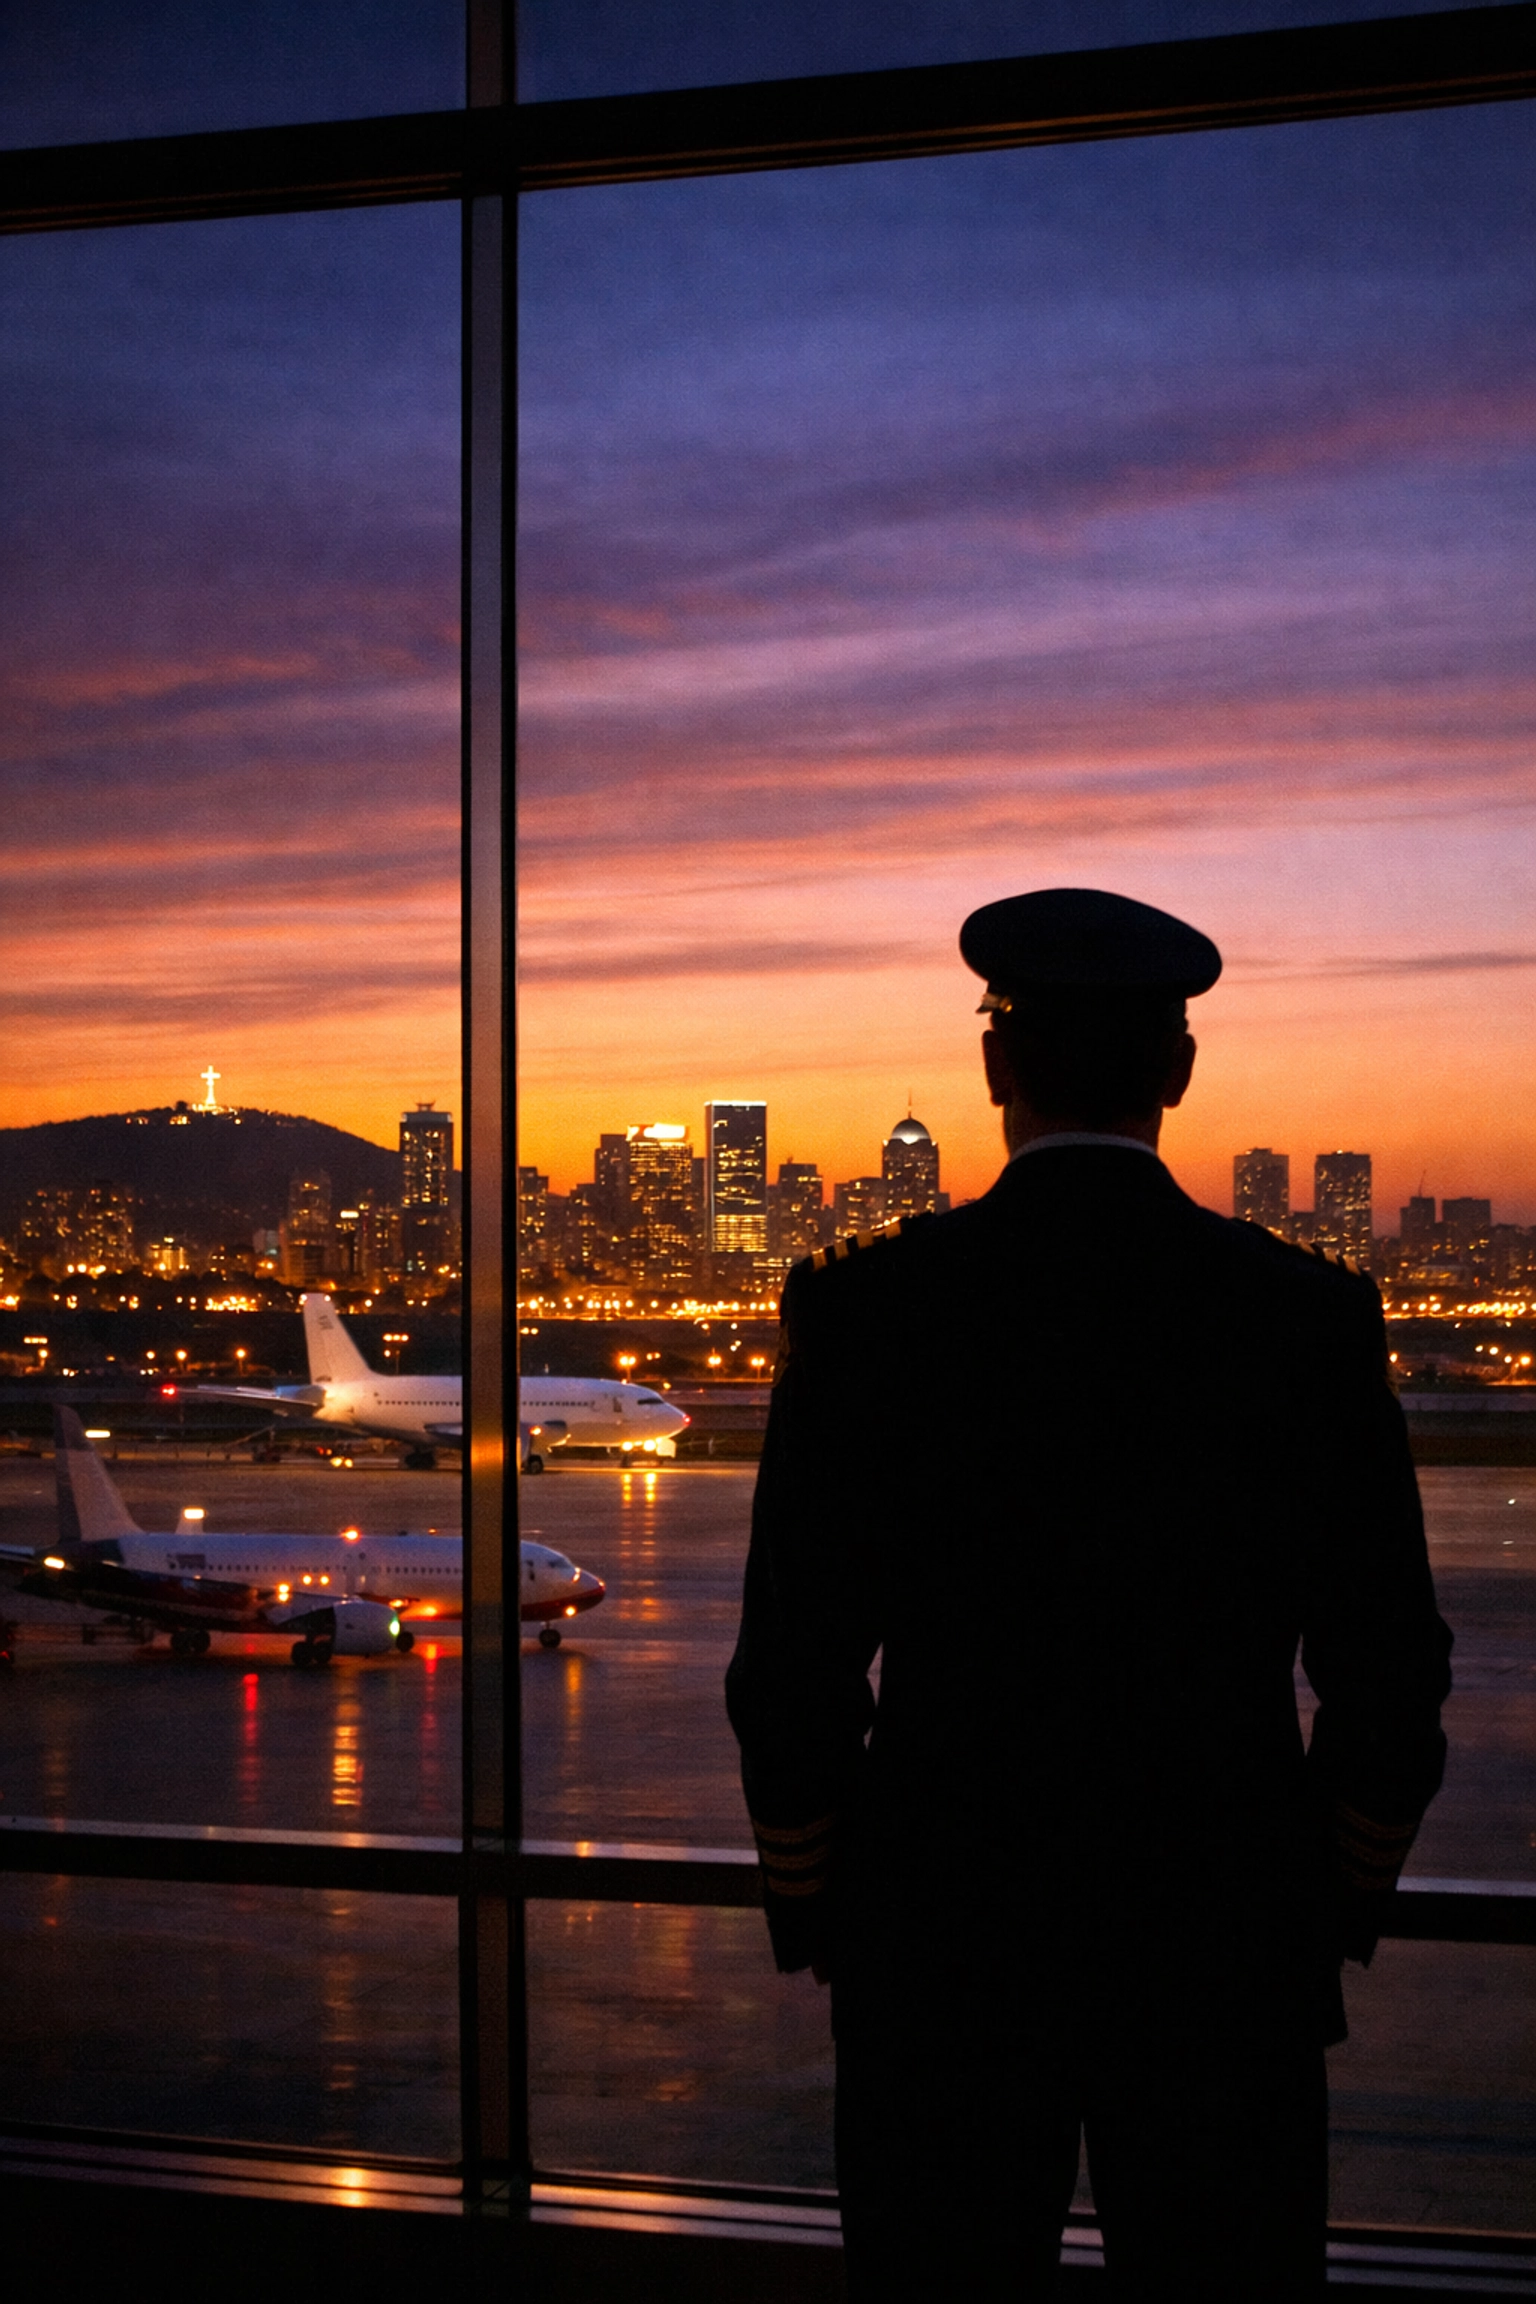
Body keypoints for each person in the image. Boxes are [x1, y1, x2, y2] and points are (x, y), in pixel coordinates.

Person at [726, 887, 1452, 2301]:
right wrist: (1321, 1903)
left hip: (944, 1951)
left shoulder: (870, 1310)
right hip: (1222, 1950)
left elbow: (790, 1676)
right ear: (1178, 1071)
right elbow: (1392, 1674)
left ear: (996, 1066)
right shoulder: (1302, 1318)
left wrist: (830, 1906)